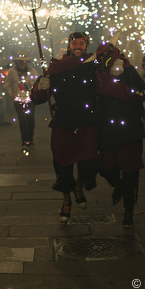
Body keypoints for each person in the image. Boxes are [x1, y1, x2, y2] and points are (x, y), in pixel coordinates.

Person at [31, 32, 100, 222]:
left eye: (82, 43)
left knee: (89, 164)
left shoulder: (94, 65)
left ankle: (78, 187)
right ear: (69, 45)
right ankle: (66, 200)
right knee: (64, 167)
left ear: (87, 45)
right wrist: (41, 86)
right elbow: (36, 98)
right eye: (74, 43)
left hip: (87, 121)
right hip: (63, 122)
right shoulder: (57, 66)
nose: (78, 46)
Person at [95, 42, 145, 228]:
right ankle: (117, 185)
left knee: (130, 171)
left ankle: (128, 210)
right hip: (106, 130)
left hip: (129, 129)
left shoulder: (127, 70)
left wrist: (123, 84)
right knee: (106, 167)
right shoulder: (98, 75)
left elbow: (143, 92)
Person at [4, 51, 39, 148]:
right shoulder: (12, 71)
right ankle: (25, 141)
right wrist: (10, 92)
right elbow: (7, 84)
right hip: (18, 99)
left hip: (30, 99)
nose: (22, 63)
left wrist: (30, 83)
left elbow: (37, 84)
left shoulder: (32, 71)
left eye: (23, 61)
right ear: (17, 62)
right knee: (22, 119)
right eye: (20, 61)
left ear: (26, 62)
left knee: (30, 120)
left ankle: (30, 139)